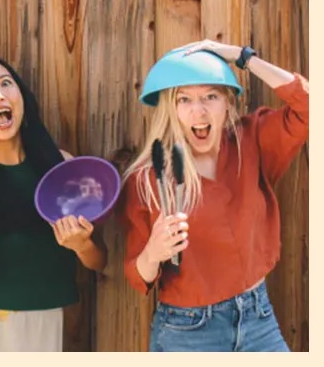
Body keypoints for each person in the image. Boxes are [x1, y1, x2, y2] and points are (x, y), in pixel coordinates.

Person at [118, 41, 308, 351]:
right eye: (184, 99)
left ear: (228, 104)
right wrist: (153, 252)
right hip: (189, 331)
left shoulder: (251, 141)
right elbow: (138, 276)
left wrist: (243, 57)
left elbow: (310, 105)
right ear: (170, 109)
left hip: (258, 318)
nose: (199, 110)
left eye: (211, 96)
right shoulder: (147, 181)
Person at [0, 54, 106, 351]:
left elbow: (99, 260)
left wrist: (81, 245)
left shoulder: (61, 167)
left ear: (21, 98)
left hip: (45, 329)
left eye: (5, 83)